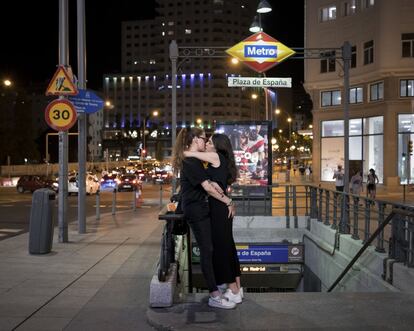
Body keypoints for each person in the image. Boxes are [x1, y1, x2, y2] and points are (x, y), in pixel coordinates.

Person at [172, 127, 236, 309]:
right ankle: (214, 295)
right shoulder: (191, 161)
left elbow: (211, 184)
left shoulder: (193, 159)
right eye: (203, 138)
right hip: (195, 210)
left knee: (211, 248)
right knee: (207, 250)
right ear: (194, 139)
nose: (205, 141)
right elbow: (207, 187)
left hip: (200, 207)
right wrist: (228, 201)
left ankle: (217, 286)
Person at [184, 133, 243, 304]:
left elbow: (189, 154)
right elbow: (214, 182)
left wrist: (185, 150)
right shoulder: (221, 160)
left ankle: (232, 289)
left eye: (209, 141)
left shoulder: (215, 156)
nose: (207, 143)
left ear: (217, 145)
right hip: (222, 207)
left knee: (222, 250)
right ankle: (237, 289)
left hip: (217, 208)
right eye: (206, 140)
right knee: (229, 247)